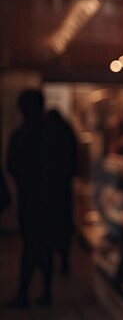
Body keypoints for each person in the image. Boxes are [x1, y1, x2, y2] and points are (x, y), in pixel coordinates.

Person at [7, 90, 54, 307]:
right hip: (46, 197)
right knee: (42, 245)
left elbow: (12, 166)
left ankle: (25, 293)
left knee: (31, 245)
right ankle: (44, 292)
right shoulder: (49, 134)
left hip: (31, 197)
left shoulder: (21, 136)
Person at [45, 109, 78, 274]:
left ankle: (53, 260)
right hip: (63, 188)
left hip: (51, 189)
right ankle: (64, 260)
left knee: (51, 227)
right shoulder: (66, 133)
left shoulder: (46, 136)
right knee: (63, 226)